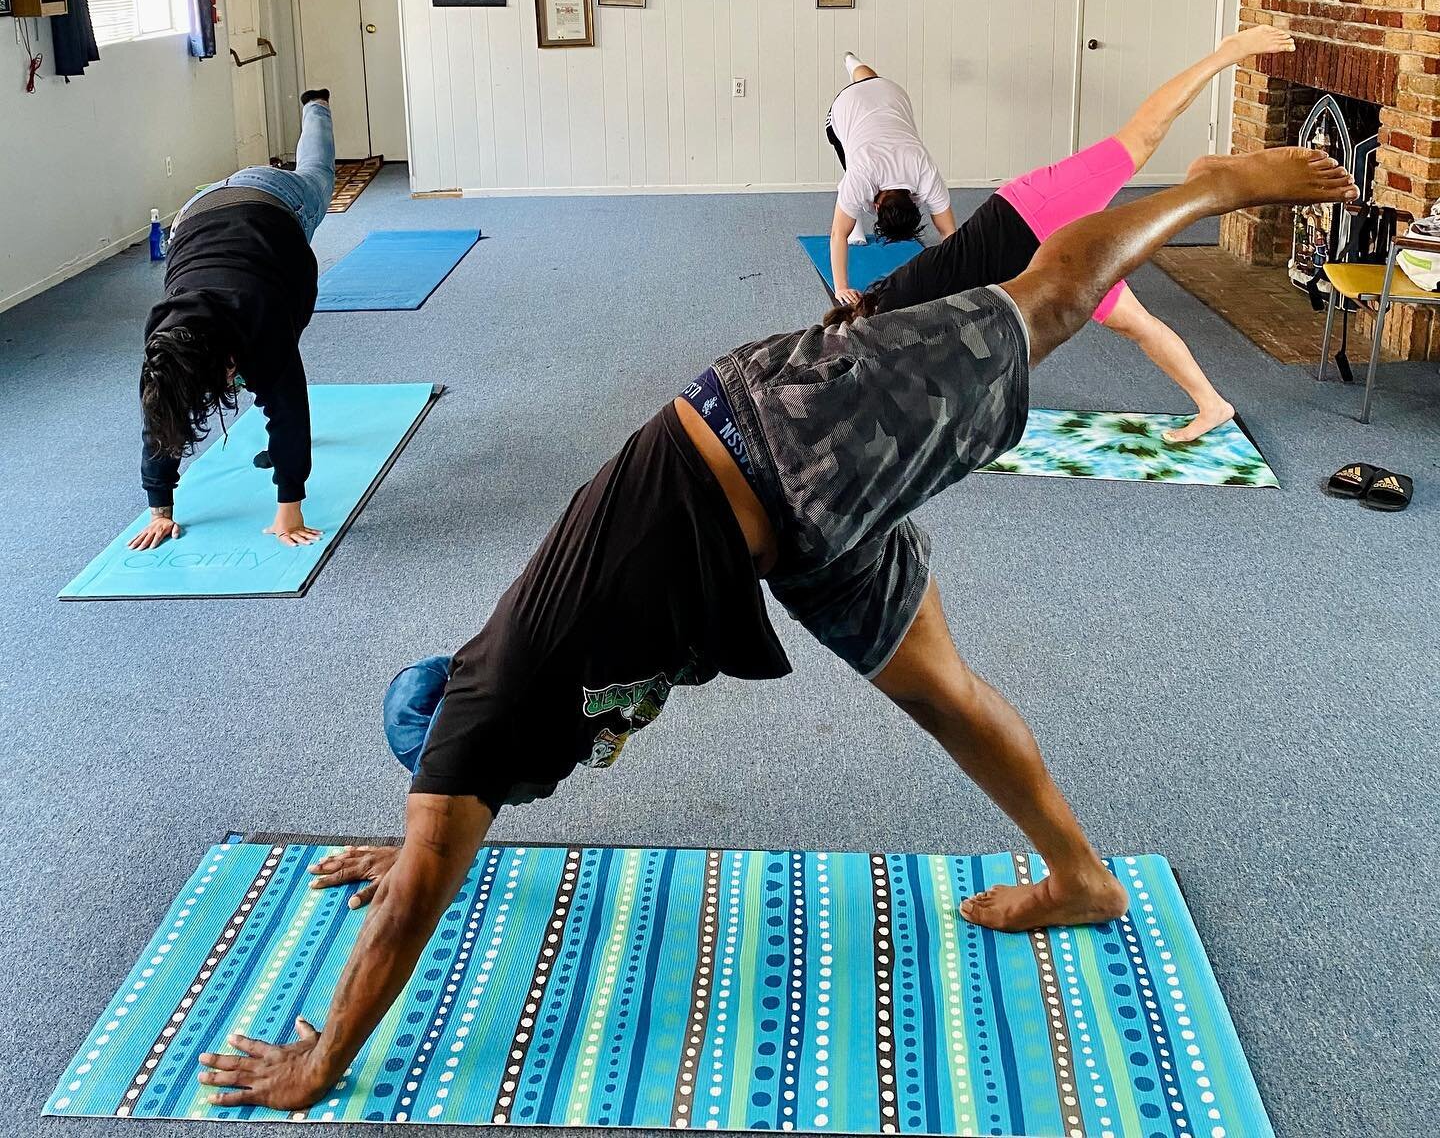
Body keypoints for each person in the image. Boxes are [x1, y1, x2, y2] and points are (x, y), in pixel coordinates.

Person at [194, 143, 1356, 1113]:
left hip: (783, 426)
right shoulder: (488, 720)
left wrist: (316, 1064)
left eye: (433, 795)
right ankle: (1082, 881)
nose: (441, 813)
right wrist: (411, 844)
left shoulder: (491, 709)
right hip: (791, 540)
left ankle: (1213, 183)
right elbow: (434, 848)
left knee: (1044, 303)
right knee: (942, 693)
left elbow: (410, 906)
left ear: (452, 738)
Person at [834, 27, 1297, 443]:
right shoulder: (896, 311)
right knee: (1135, 324)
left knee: (1142, 136)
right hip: (1055, 264)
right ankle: (1213, 406)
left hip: (1034, 210)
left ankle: (1225, 56)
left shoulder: (892, 311)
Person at [131, 89, 336, 552]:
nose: (237, 383)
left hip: (272, 200)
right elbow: (159, 418)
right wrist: (159, 509)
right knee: (264, 362)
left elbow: (287, 407)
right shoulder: (165, 347)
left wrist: (290, 507)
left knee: (319, 176)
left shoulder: (260, 316)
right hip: (198, 215)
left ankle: (316, 107)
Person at [826, 53, 957, 294]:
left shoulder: (923, 170)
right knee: (850, 164)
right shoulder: (864, 174)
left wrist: (956, 278)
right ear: (876, 208)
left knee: (869, 83)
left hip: (889, 93)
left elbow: (950, 234)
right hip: (848, 105)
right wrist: (841, 288)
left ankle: (852, 62)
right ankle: (850, 211)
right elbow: (837, 234)